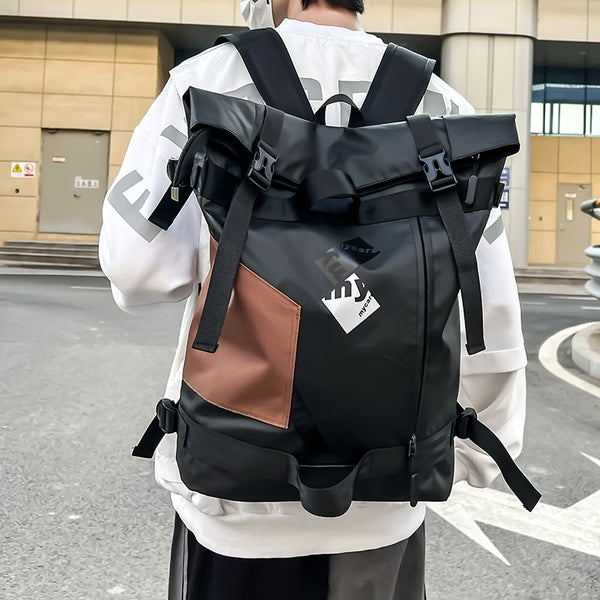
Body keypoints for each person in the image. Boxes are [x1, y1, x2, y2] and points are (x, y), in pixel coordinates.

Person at [99, 1, 527, 598]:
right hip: (389, 485)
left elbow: (138, 271)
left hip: (234, 485)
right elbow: (487, 306)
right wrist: (483, 450)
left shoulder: (207, 82)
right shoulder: (443, 103)